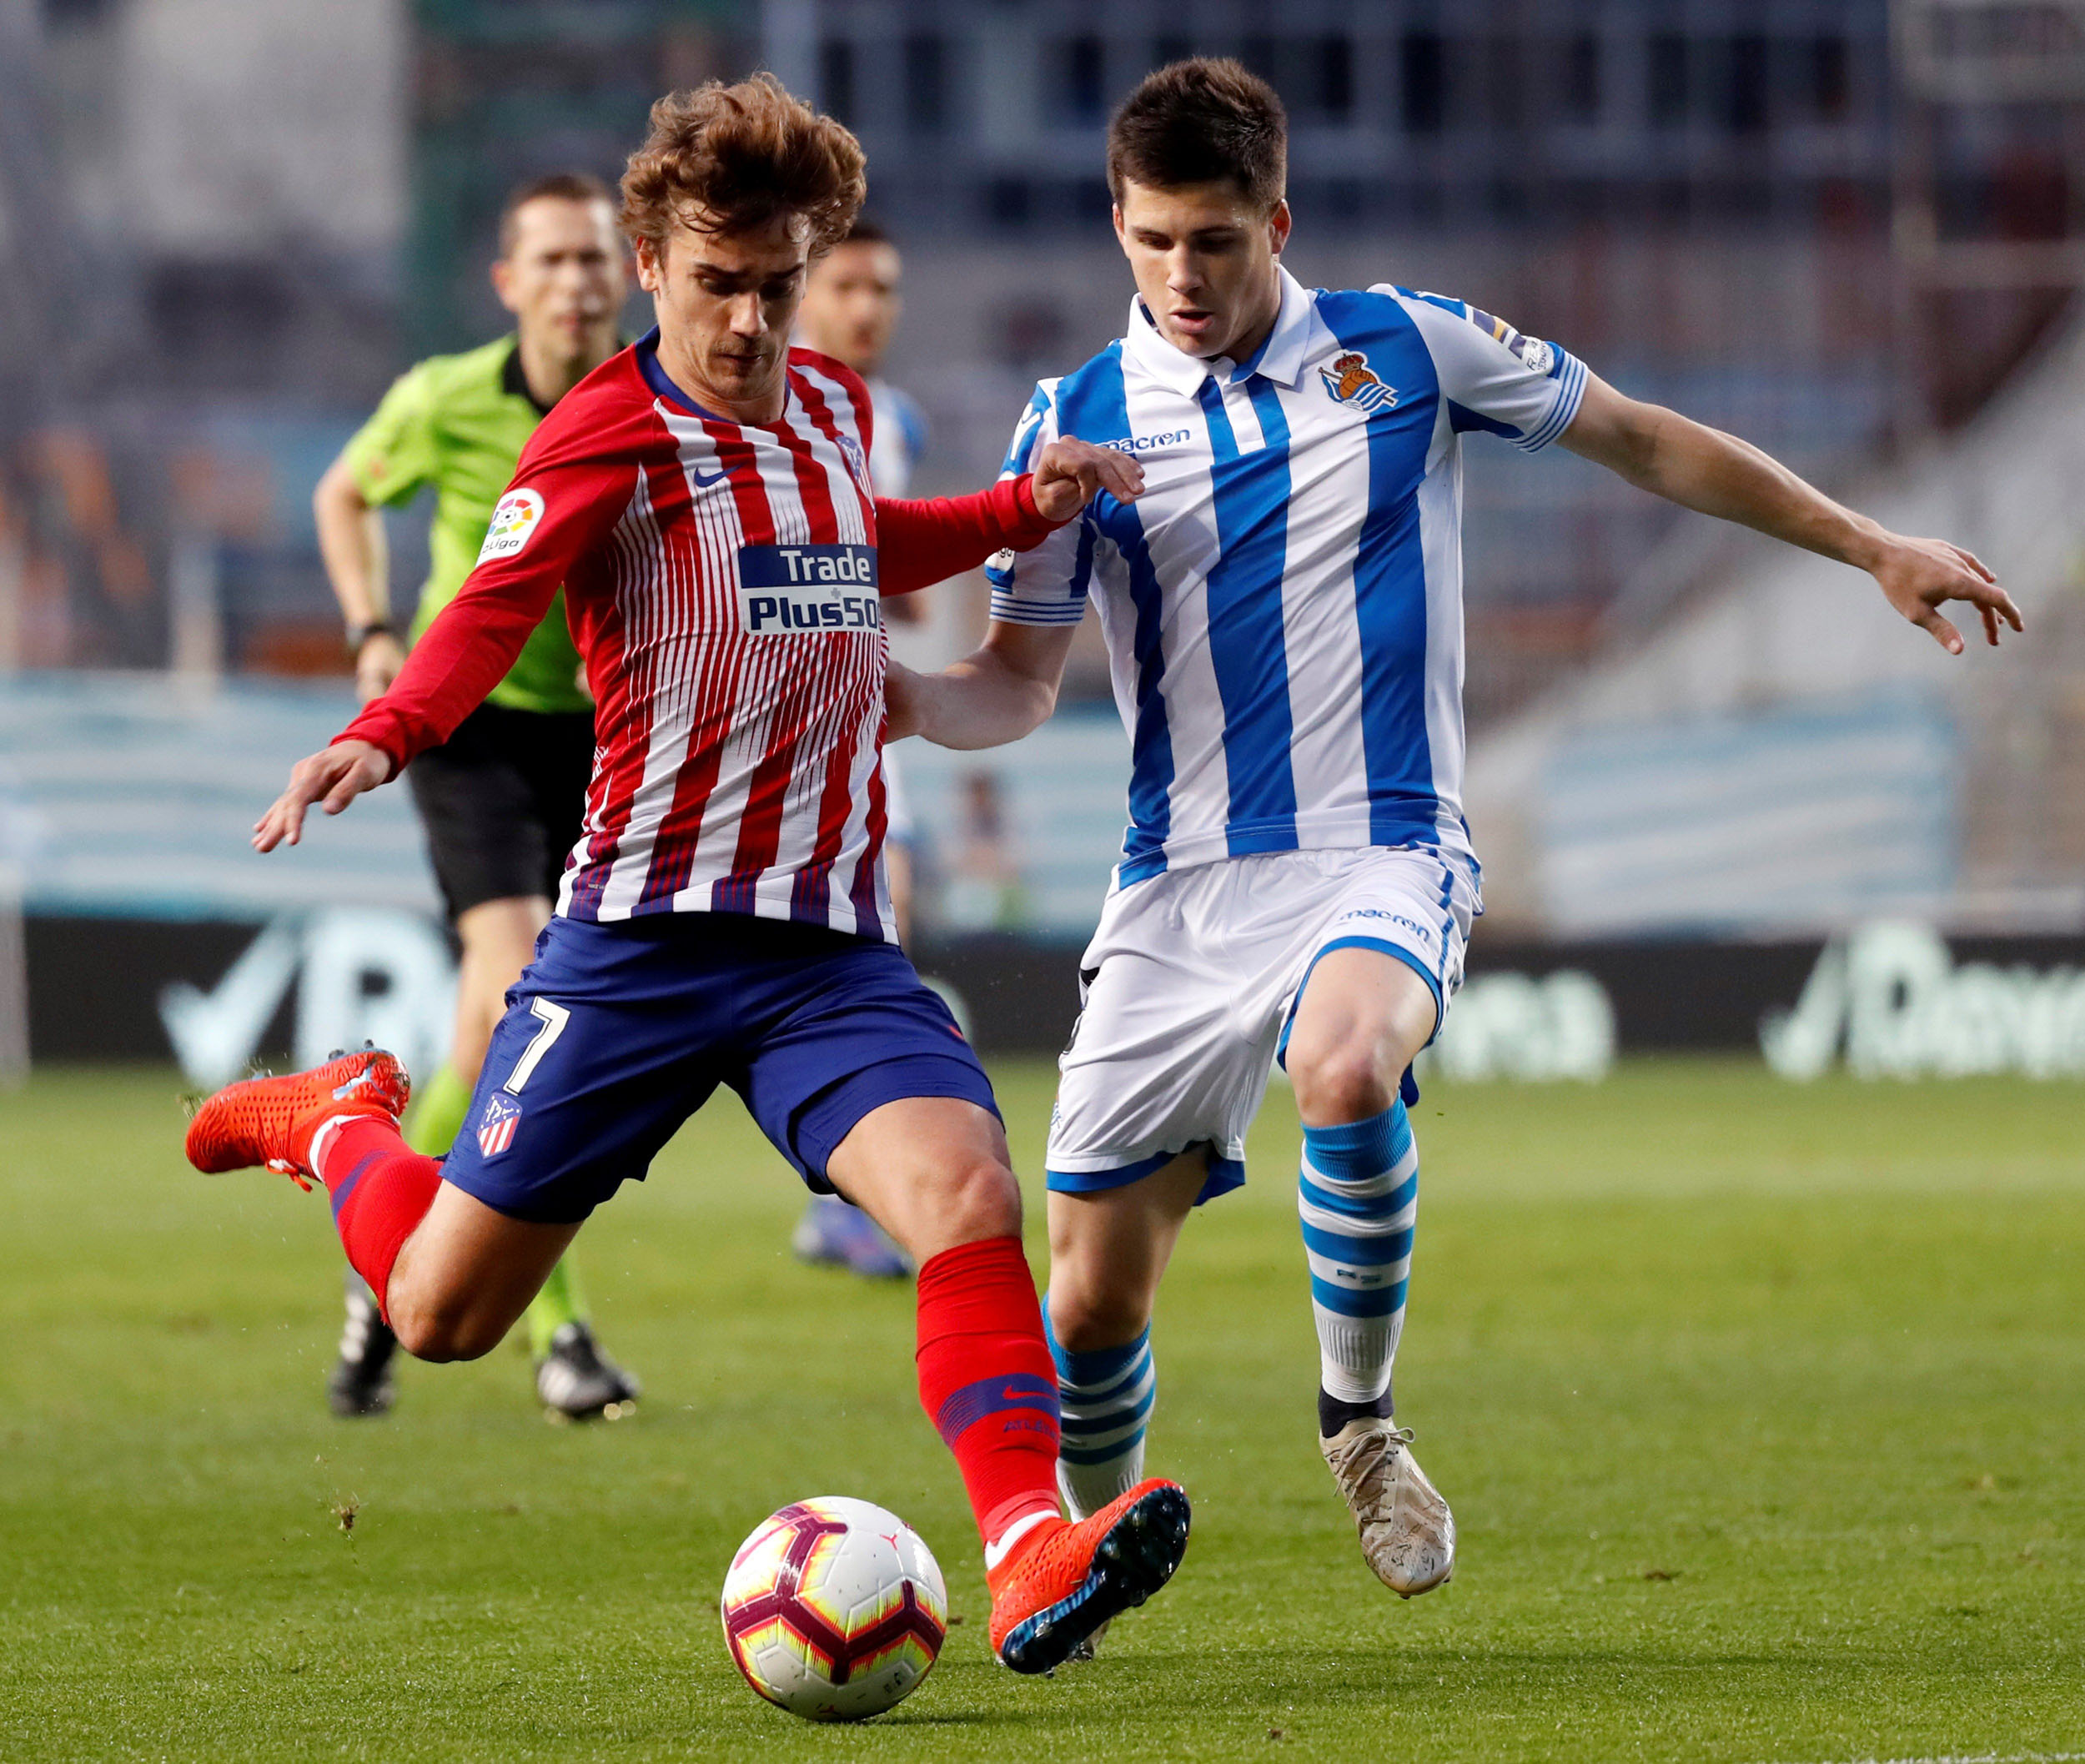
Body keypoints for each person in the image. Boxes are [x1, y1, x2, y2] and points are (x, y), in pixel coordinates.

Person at [887, 58, 2021, 1616]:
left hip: (1385, 843)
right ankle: (1072, 1558)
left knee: (1345, 1067)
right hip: (1178, 887)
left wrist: (1871, 543)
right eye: (1151, 241)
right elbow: (1015, 689)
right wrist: (878, 699)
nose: (1182, 275)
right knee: (1086, 1305)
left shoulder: (1405, 347)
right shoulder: (1071, 420)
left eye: (1214, 241)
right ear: (1114, 224)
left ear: (1277, 220)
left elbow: (1640, 438)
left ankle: (1359, 1424)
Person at [184, 75, 1188, 1676]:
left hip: (824, 950)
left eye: (777, 285)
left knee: (968, 1194)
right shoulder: (608, 429)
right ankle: (339, 1123)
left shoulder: (843, 414)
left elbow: (862, 539)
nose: (746, 318)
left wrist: (1013, 510)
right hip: (636, 949)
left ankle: (1025, 1550)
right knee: (445, 1317)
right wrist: (386, 728)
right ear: (652, 264)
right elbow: (490, 605)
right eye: (717, 284)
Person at [311, 172, 641, 1422]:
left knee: (480, 1042)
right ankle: (561, 1337)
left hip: (612, 738)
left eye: (594, 258)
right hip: (473, 725)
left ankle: (380, 1237)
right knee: (518, 1002)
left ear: (629, 273)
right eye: (550, 259)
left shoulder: (657, 396)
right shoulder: (446, 398)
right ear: (508, 283)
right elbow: (342, 490)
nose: (575, 281)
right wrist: (372, 630)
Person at [786, 218, 928, 1279]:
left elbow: (895, 576)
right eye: (848, 285)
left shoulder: (894, 417)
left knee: (889, 945)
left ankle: (849, 1197)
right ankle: (842, 1194)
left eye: (882, 286)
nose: (867, 307)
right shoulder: (777, 405)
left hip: (875, 727)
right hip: (790, 736)